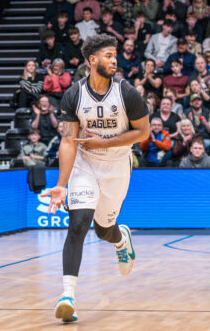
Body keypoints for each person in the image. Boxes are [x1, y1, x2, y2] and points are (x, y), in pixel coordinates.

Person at [41, 34, 149, 323]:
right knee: (77, 224)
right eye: (108, 55)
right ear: (91, 61)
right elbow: (68, 140)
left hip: (116, 165)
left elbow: (143, 133)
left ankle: (120, 238)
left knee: (104, 230)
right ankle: (68, 296)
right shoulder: (74, 94)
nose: (114, 60)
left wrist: (103, 142)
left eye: (115, 55)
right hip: (85, 165)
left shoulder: (127, 92)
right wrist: (61, 185)